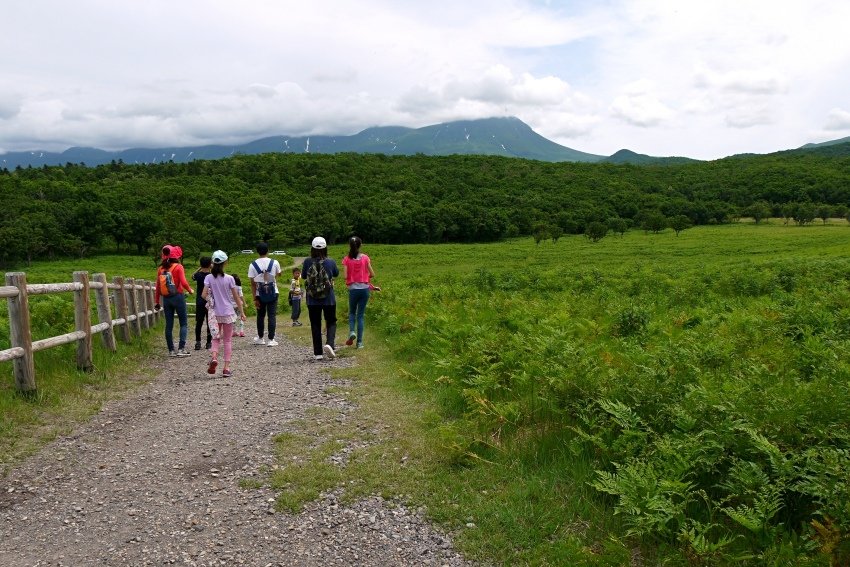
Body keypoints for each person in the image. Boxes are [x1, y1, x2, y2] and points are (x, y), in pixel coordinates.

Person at [202, 250, 247, 378]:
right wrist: (242, 312)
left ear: (212, 263)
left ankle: (214, 357)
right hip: (228, 312)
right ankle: (226, 369)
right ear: (225, 262)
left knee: (215, 338)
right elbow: (237, 297)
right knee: (227, 341)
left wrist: (211, 300)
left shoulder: (208, 278)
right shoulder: (230, 278)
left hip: (215, 313)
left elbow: (203, 294)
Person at [302, 236, 339, 360]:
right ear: (325, 248)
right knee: (331, 321)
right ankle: (329, 344)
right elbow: (336, 273)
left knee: (315, 324)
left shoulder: (307, 261)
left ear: (312, 248)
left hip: (312, 299)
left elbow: (303, 276)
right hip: (329, 298)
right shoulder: (331, 261)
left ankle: (318, 353)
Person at [154, 244, 193, 357]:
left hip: (166, 299)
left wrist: (157, 301)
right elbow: (184, 282)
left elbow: (158, 287)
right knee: (183, 323)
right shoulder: (178, 267)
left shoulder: (160, 269)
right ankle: (181, 349)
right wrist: (190, 290)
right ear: (175, 255)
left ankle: (171, 350)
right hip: (178, 297)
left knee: (169, 325)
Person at [342, 236, 379, 349]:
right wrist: (364, 277)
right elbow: (372, 274)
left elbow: (345, 276)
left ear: (349, 245)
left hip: (353, 290)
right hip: (364, 290)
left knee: (352, 313)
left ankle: (352, 331)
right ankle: (359, 343)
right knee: (361, 315)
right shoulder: (365, 258)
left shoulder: (346, 259)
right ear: (360, 245)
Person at [247, 242, 282, 347]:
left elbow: (253, 284)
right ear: (268, 250)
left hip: (259, 294)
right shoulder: (274, 262)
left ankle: (260, 338)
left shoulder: (252, 265)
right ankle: (271, 339)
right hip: (273, 292)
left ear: (257, 252)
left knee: (260, 316)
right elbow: (278, 274)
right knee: (272, 315)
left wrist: (255, 298)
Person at [192, 256, 213, 350]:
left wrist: (200, 268)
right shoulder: (211, 276)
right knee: (210, 322)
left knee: (199, 322)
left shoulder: (198, 275)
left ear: (201, 264)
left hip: (200, 301)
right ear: (210, 264)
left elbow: (192, 276)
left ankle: (198, 342)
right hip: (209, 301)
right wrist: (212, 268)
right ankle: (209, 342)